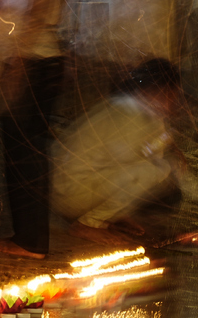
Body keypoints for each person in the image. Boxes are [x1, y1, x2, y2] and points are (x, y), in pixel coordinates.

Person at [0, 0, 65, 259]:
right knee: (21, 150)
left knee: (26, 152)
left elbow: (36, 8)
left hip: (34, 60)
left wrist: (18, 63)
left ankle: (31, 240)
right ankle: (26, 236)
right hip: (30, 56)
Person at [52, 59, 185, 245]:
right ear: (153, 90)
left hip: (80, 187)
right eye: (170, 95)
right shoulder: (128, 113)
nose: (173, 102)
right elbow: (131, 164)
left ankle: (107, 216)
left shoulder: (144, 111)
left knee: (159, 171)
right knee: (152, 172)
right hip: (68, 194)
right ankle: (88, 224)